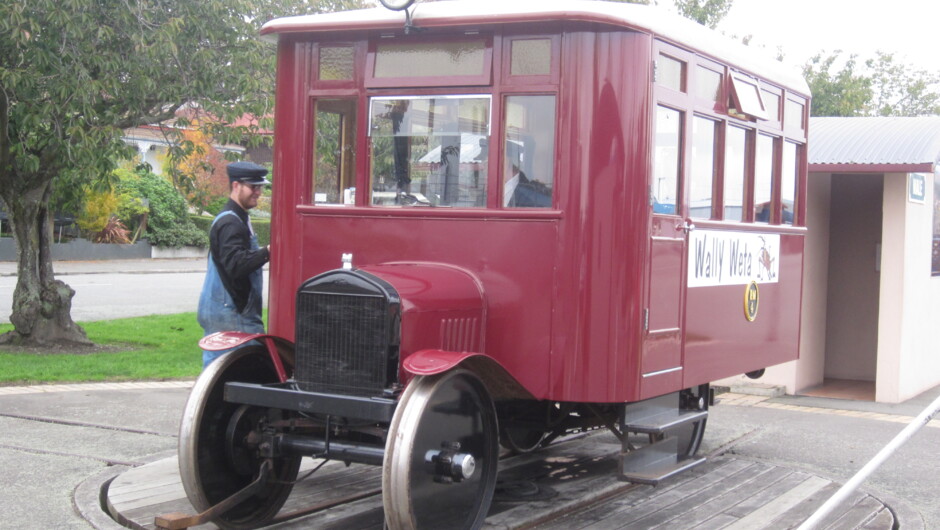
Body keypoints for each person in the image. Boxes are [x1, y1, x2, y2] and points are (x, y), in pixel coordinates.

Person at [197, 161, 271, 368]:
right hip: (233, 312)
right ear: (236, 185)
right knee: (246, 368)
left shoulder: (235, 217)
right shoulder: (230, 223)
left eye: (260, 187)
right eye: (253, 187)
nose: (258, 192)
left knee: (221, 368)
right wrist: (267, 252)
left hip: (226, 309)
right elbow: (236, 265)